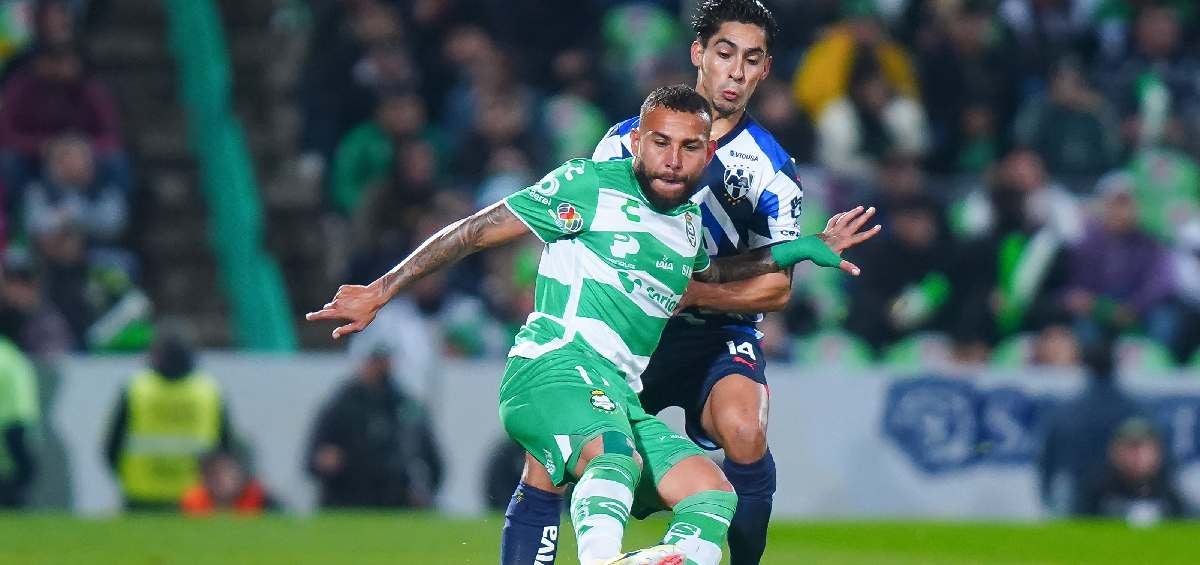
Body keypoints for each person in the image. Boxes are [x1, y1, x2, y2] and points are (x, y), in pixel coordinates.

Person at [307, 85, 878, 565]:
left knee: (711, 494)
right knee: (613, 456)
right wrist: (381, 290)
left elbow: (717, 273)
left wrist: (801, 248)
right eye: (660, 143)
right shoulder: (590, 184)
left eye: (688, 147)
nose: (672, 160)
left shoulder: (685, 225)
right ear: (637, 141)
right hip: (551, 369)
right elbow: (476, 229)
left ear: (707, 155)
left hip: (618, 396)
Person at [518, 3, 811, 563]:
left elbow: (776, 289)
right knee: (547, 459)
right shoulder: (625, 141)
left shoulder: (772, 169)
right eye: (725, 53)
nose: (736, 72)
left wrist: (693, 294)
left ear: (766, 69)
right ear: (699, 53)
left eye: (752, 60)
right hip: (630, 332)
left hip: (718, 336)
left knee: (745, 429)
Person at [103, 330, 234, 510]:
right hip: (196, 498)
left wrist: (125, 478)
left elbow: (111, 447)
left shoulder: (137, 389)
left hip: (141, 493)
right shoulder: (208, 391)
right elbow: (226, 448)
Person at [305, 344, 444, 509]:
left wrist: (425, 491)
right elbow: (312, 460)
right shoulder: (341, 406)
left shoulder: (405, 406)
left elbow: (433, 460)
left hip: (395, 499)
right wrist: (324, 462)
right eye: (375, 361)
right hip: (346, 497)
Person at [1038, 337, 1144, 516]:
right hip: (1123, 496)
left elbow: (1048, 461)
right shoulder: (1134, 409)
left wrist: (1047, 494)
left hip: (1079, 493)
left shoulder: (1067, 412)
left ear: (1084, 365)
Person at [1073, 417, 1187, 521]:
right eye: (1130, 449)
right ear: (1114, 452)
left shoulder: (1171, 493)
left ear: (1157, 454)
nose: (1137, 457)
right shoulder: (1095, 492)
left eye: (1143, 450)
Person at [0, 336, 38, 508]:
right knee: (23, 467)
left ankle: (12, 502)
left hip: (10, 419)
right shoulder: (12, 354)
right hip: (18, 418)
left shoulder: (7, 354)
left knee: (19, 468)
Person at [180, 451, 276, 517]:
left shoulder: (262, 500)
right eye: (213, 473)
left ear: (239, 474)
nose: (220, 480)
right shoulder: (192, 502)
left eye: (226, 473)